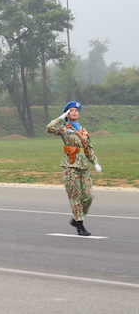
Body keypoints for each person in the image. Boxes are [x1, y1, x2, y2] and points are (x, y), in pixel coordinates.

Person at [47, 101, 101, 236]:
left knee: (89, 195)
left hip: (84, 165)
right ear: (67, 113)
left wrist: (95, 162)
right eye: (71, 110)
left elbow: (88, 148)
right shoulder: (64, 128)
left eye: (76, 110)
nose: (74, 112)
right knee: (75, 196)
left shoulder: (83, 130)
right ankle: (80, 225)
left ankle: (76, 218)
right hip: (70, 165)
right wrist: (61, 117)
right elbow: (49, 128)